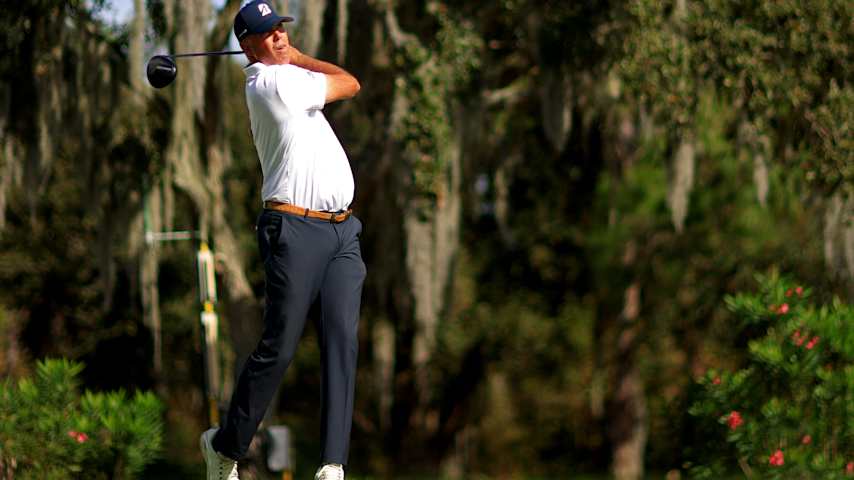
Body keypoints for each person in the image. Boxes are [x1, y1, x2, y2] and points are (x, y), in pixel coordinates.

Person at [199, 1, 364, 479]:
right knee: (281, 344)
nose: (279, 38)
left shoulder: (286, 74)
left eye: (280, 30)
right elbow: (350, 82)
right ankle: (225, 445)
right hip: (295, 230)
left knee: (341, 340)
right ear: (248, 47)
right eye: (267, 35)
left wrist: (294, 56)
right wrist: (299, 59)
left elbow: (347, 84)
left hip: (342, 233)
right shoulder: (269, 82)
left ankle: (332, 464)